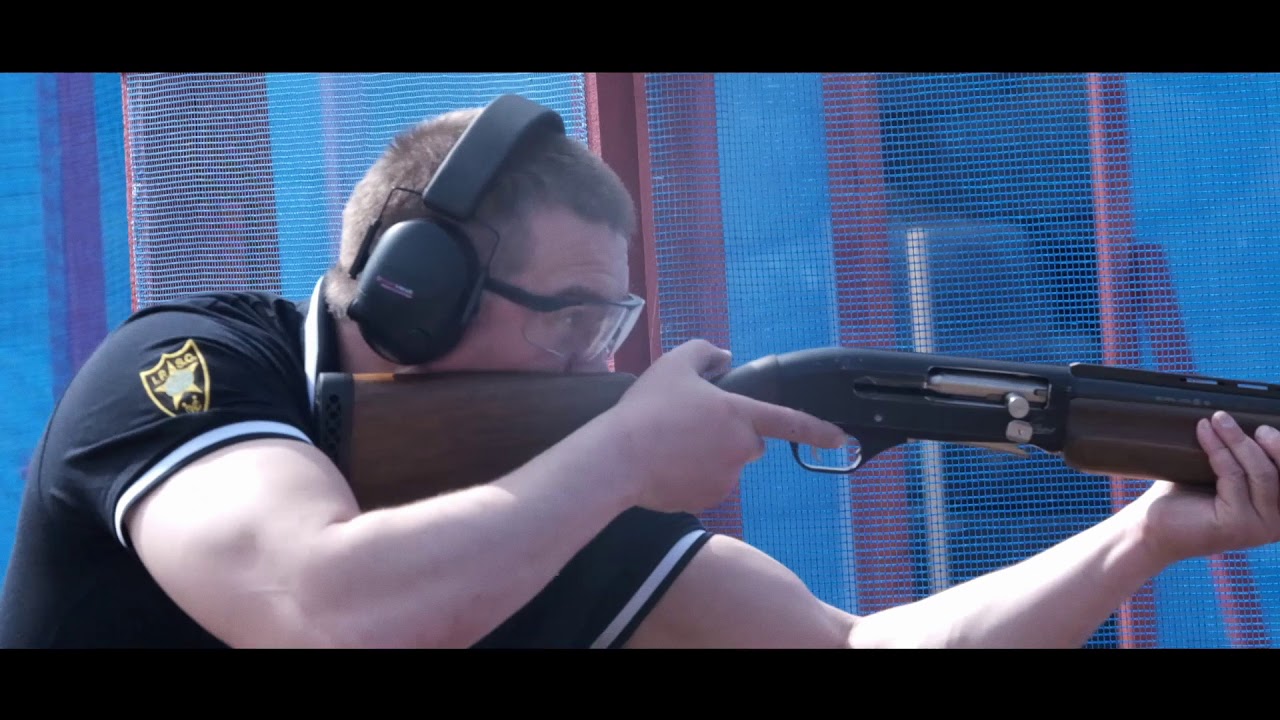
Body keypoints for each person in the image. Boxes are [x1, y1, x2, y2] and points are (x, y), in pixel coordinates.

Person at [3, 96, 1279, 649]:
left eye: (608, 320)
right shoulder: (189, 368)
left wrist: (1145, 540)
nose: (597, 361)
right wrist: (618, 455)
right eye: (566, 319)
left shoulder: (535, 499)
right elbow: (321, 612)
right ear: (412, 290)